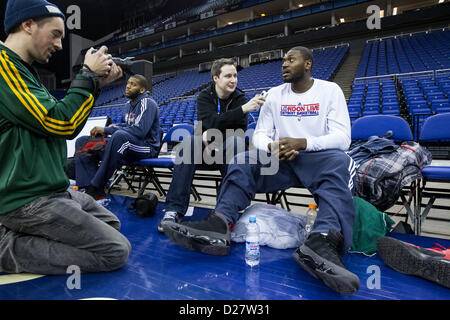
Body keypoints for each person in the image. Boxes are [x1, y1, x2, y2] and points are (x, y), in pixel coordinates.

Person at [164, 47, 360, 295]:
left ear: (308, 64)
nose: (284, 64)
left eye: (291, 59)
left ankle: (321, 241)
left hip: (317, 157)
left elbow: (343, 138)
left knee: (340, 162)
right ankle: (220, 223)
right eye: (283, 60)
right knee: (243, 158)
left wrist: (303, 143)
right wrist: (272, 145)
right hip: (280, 159)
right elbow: (260, 134)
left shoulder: (330, 91)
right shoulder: (275, 94)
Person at [0, 0, 130, 275]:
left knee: (110, 226)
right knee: (114, 251)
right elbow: (61, 122)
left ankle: (27, 235)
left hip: (51, 191)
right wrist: (87, 75)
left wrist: (95, 84)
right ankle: (6, 250)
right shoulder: (3, 67)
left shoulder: (25, 72)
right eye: (56, 34)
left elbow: (60, 114)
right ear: (27, 25)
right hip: (25, 199)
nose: (59, 45)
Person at [158, 58, 265, 232]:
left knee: (236, 142)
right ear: (216, 78)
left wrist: (213, 131)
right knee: (191, 142)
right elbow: (206, 122)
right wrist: (241, 111)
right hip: (204, 153)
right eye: (228, 76)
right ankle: (173, 210)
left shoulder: (240, 98)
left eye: (235, 76)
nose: (233, 80)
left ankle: (222, 213)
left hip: (228, 152)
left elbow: (238, 131)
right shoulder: (205, 96)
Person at [74, 74, 161, 199]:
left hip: (147, 148)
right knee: (83, 142)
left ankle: (96, 186)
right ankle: (87, 187)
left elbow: (139, 131)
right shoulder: (128, 105)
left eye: (133, 84)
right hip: (129, 144)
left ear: (142, 90)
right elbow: (127, 126)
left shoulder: (147, 102)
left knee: (119, 137)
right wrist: (108, 130)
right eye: (128, 83)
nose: (128, 86)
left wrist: (107, 129)